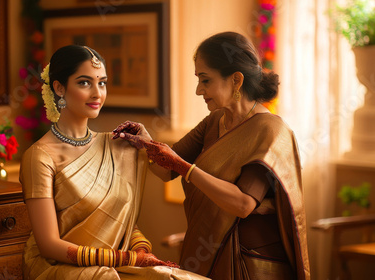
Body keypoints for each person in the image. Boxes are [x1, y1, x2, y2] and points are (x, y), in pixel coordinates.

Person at [113, 32, 310, 280]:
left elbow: (243, 204)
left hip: (250, 262)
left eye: (205, 80)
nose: (198, 90)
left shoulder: (270, 131)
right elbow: (166, 170)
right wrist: (145, 143)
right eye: (198, 80)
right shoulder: (215, 121)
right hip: (207, 251)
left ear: (236, 80)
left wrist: (185, 168)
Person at [20, 45, 210, 280]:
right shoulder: (40, 156)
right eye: (84, 83)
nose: (97, 93)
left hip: (114, 265)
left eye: (102, 82)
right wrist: (128, 259)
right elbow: (49, 245)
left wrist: (140, 249)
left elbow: (123, 224)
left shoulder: (116, 146)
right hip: (61, 269)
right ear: (59, 88)